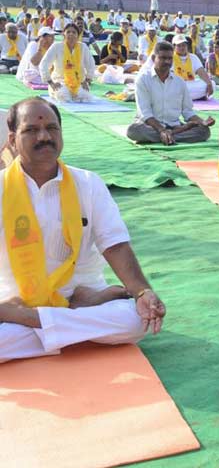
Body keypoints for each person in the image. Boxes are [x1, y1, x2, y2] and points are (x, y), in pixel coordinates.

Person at [0, 98, 165, 364]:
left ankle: (32, 319)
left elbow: (115, 244)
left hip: (62, 294)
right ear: (11, 139)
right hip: (14, 297)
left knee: (136, 320)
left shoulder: (87, 183)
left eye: (52, 128)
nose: (44, 136)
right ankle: (73, 318)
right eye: (31, 130)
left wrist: (143, 292)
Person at [127, 41, 213, 145]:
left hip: (174, 125)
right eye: (163, 58)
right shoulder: (143, 79)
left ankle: (169, 135)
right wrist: (162, 130)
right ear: (154, 58)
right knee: (133, 130)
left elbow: (187, 112)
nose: (167, 62)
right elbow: (145, 113)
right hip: (151, 125)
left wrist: (203, 122)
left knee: (204, 131)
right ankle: (170, 135)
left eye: (170, 58)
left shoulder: (179, 82)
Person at [39, 23, 96, 103]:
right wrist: (51, 83)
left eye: (74, 32)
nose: (71, 34)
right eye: (68, 32)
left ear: (78, 35)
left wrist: (87, 81)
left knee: (85, 98)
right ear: (64, 34)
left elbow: (91, 65)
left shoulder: (83, 47)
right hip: (59, 80)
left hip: (78, 81)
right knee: (64, 97)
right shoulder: (57, 46)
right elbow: (43, 64)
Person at [168, 34, 214, 101]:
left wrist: (209, 84)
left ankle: (187, 97)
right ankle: (196, 96)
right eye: (179, 46)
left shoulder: (193, 57)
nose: (182, 48)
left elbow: (202, 73)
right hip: (176, 85)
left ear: (187, 46)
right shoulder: (170, 58)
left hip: (190, 84)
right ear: (174, 47)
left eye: (184, 45)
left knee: (212, 83)